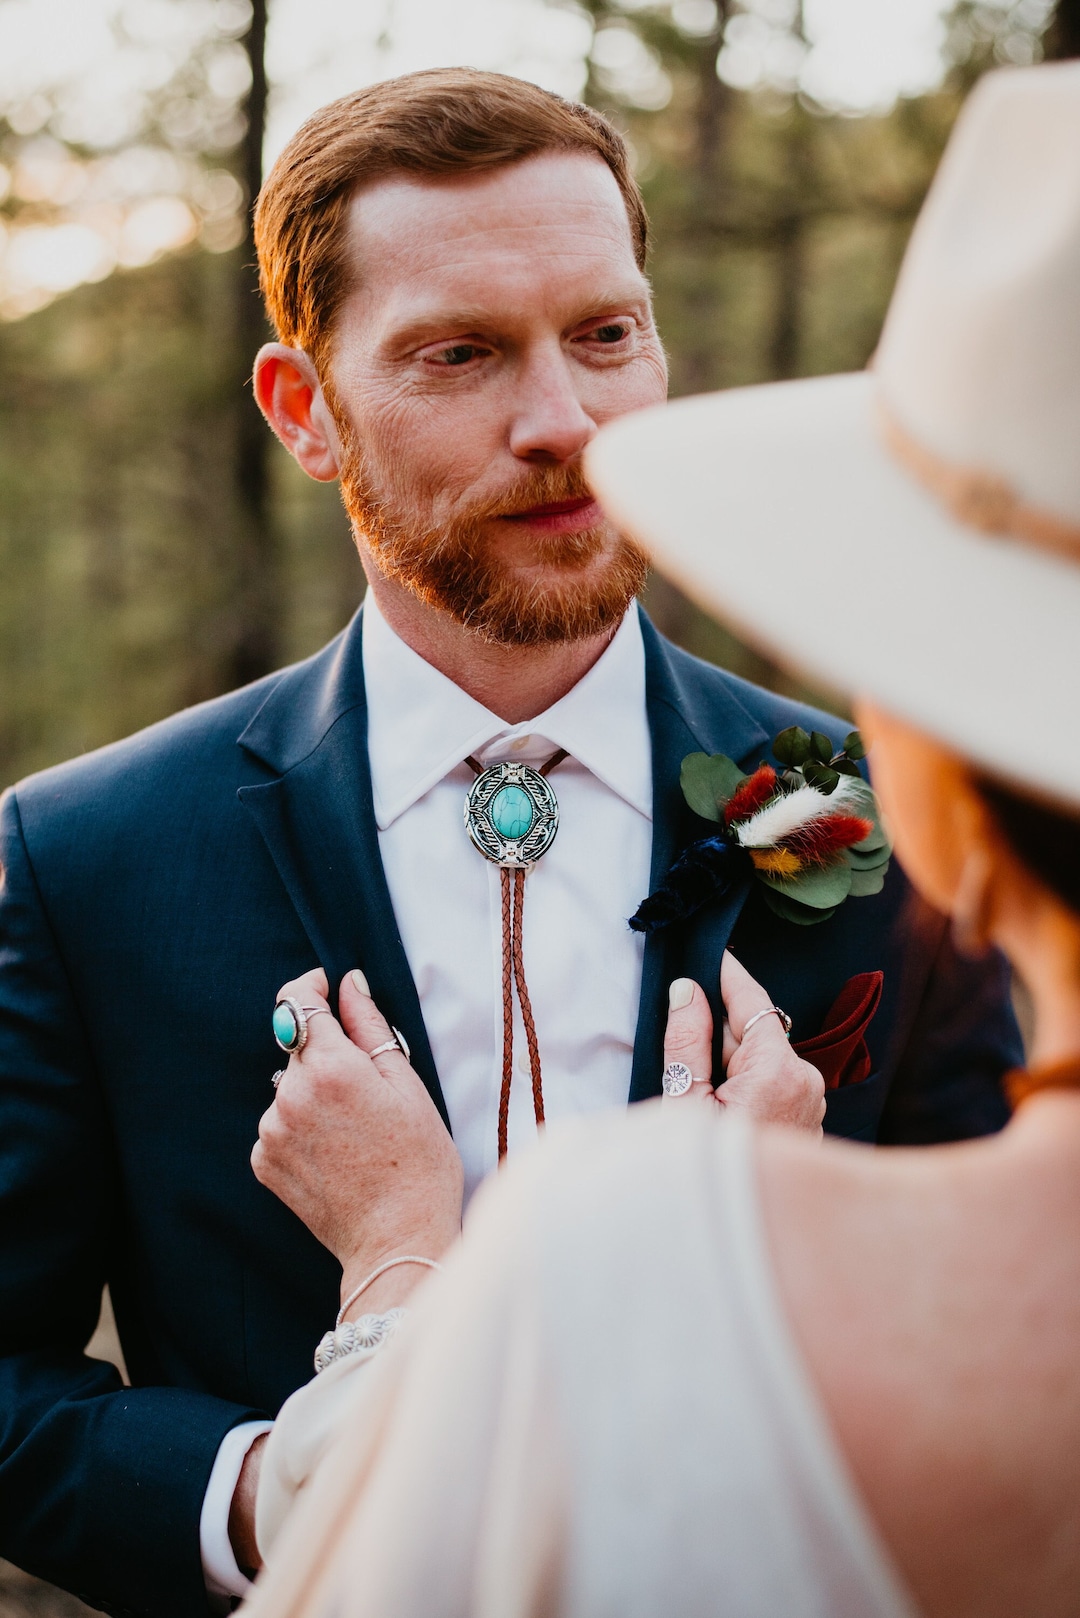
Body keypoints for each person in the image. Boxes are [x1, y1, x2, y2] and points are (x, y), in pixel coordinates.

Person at [0, 69, 1020, 1617]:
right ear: (305, 410)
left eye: (606, 335)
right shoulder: (85, 858)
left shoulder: (884, 813)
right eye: (460, 353)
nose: (564, 423)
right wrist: (279, 1494)